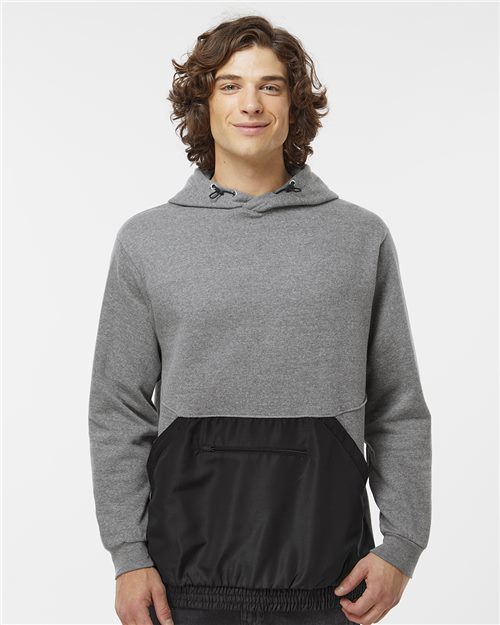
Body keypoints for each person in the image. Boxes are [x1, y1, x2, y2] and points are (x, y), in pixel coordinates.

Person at [88, 14, 432, 625]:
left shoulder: (358, 237)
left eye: (270, 86)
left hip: (329, 578)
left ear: (294, 105)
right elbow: (118, 407)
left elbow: (397, 404)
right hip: (182, 580)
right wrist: (127, 554)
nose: (251, 103)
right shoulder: (148, 241)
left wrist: (402, 544)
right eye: (230, 85)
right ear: (204, 103)